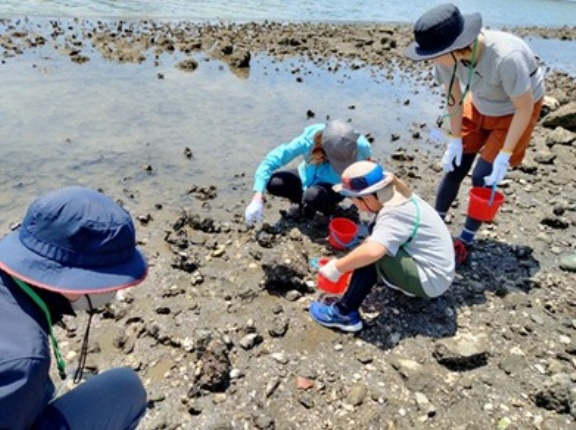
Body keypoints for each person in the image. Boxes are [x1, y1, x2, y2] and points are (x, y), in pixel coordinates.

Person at [404, 3, 545, 265]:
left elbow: (524, 108)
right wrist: (455, 139)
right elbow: (454, 98)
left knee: (483, 174)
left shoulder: (506, 57)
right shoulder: (447, 59)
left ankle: (466, 239)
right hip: (479, 102)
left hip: (514, 110)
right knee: (456, 165)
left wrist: (505, 154)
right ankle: (435, 225)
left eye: (434, 56)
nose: (432, 61)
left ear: (457, 47)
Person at [0, 186, 148, 430]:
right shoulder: (26, 359)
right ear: (76, 285)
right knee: (126, 388)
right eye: (113, 282)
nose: (118, 292)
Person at [309, 161, 455, 332]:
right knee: (374, 234)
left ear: (368, 198)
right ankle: (393, 279)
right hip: (438, 270)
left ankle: (345, 313)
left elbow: (373, 251)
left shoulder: (393, 214)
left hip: (432, 281)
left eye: (354, 199)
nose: (355, 204)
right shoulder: (399, 196)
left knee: (374, 253)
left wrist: (336, 268)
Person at [245, 119, 372, 225]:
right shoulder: (309, 138)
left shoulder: (361, 146)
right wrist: (257, 196)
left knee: (313, 196)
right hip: (306, 177)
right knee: (275, 183)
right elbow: (273, 159)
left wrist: (367, 200)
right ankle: (302, 204)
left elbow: (368, 171)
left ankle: (331, 211)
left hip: (334, 187)